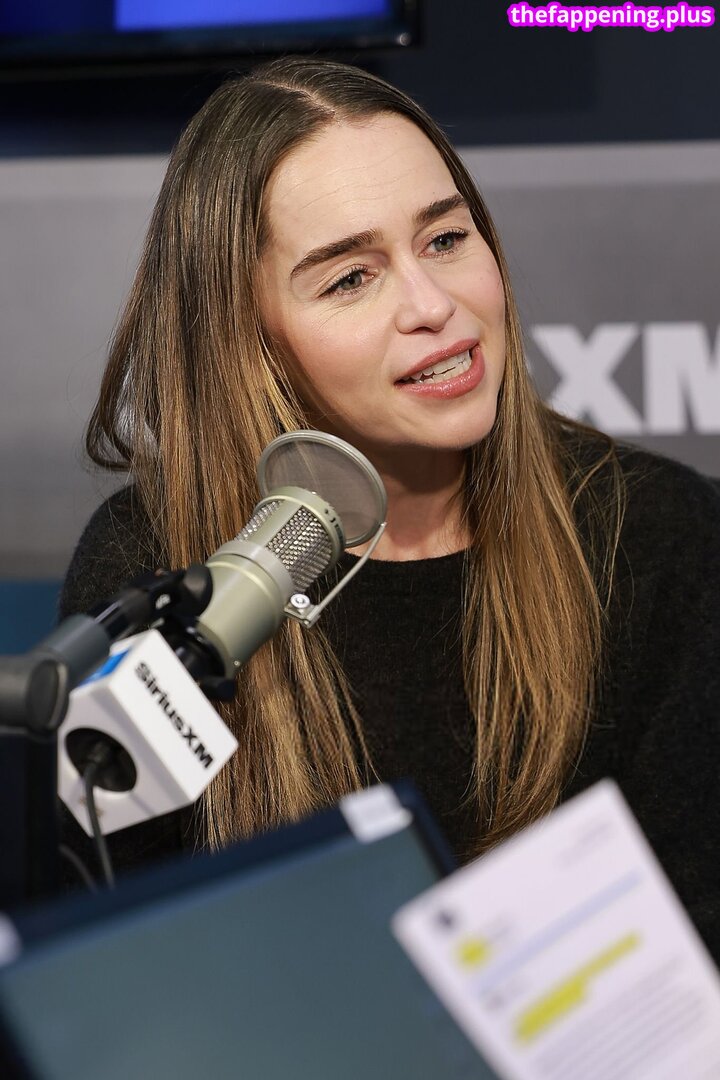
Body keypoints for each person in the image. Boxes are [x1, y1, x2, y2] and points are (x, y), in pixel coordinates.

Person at [60, 57, 720, 959]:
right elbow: (114, 965)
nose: (433, 306)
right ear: (250, 340)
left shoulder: (659, 536)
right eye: (350, 278)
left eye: (445, 239)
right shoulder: (155, 572)